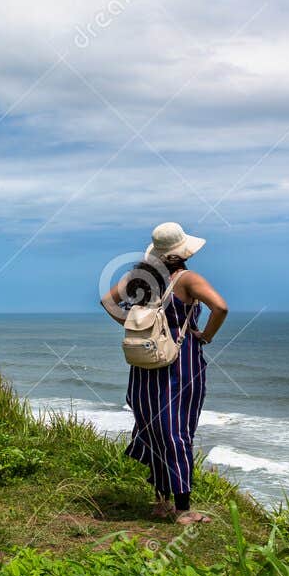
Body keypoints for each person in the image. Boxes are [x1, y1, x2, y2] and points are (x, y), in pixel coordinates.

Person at [99, 222, 229, 523]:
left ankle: (160, 502)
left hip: (145, 363)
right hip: (179, 362)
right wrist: (206, 336)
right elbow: (220, 307)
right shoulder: (188, 279)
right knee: (178, 432)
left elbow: (108, 302)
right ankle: (183, 510)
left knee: (155, 428)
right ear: (183, 252)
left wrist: (134, 327)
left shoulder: (139, 277)